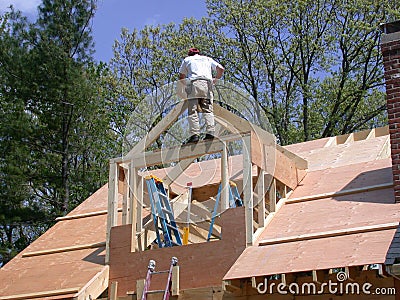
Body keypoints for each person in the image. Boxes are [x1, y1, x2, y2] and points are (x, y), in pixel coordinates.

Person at [179, 47, 225, 144]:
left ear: (189, 54)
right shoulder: (207, 59)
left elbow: (181, 77)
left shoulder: (187, 60)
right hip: (207, 85)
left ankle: (194, 135)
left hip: (194, 84)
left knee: (193, 110)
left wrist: (186, 85)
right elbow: (221, 69)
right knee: (208, 109)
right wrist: (215, 79)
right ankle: (211, 132)